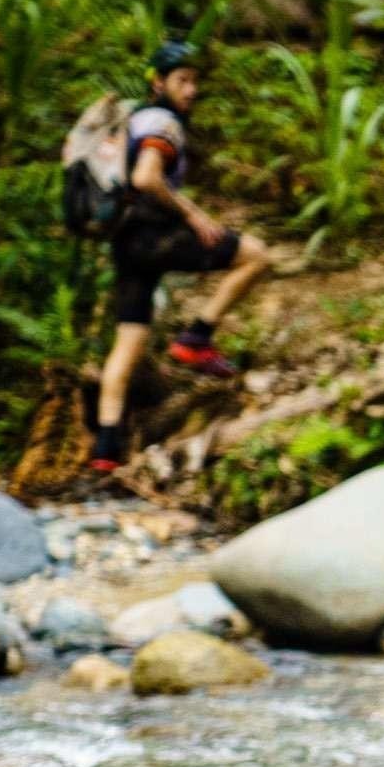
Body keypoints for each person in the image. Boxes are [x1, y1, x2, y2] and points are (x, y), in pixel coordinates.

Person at [91, 41, 272, 473]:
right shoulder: (163, 122)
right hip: (157, 236)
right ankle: (196, 338)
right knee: (257, 256)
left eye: (195, 80)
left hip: (127, 242)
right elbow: (146, 177)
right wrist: (194, 215)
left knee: (127, 344)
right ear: (158, 82)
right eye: (182, 80)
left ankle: (105, 452)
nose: (191, 90)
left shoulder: (133, 120)